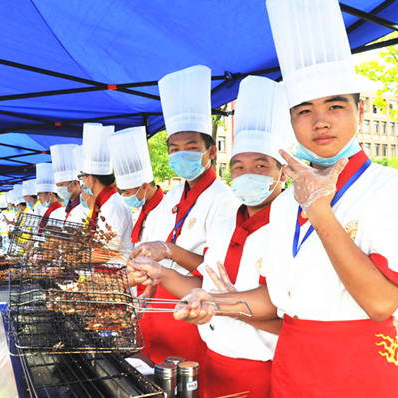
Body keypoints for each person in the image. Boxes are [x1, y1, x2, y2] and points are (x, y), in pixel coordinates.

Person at [175, 1, 398, 397]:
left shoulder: (394, 188)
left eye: (335, 106)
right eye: (305, 110)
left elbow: (381, 302)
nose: (320, 121)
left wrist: (318, 208)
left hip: (359, 366)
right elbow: (276, 298)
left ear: (360, 111)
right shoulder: (285, 202)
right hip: (291, 363)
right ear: (292, 121)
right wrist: (213, 302)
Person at [129, 76, 289, 398]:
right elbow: (203, 287)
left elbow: (286, 316)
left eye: (261, 165)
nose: (248, 174)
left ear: (282, 172)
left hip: (264, 369)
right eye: (240, 167)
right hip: (213, 361)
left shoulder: (292, 226)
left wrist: (221, 302)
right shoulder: (225, 226)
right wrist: (159, 272)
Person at [129, 65, 240, 367]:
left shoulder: (224, 199)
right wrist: (148, 289)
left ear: (211, 152)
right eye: (175, 148)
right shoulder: (174, 196)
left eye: (192, 147)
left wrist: (170, 251)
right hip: (156, 304)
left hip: (190, 308)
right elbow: (159, 254)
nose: (182, 155)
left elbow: (214, 270)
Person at [108, 126, 165, 296]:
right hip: (137, 286)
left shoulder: (165, 210)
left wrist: (114, 283)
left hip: (157, 291)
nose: (124, 197)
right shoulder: (144, 209)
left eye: (127, 192)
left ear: (144, 187)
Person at [80, 123, 133, 247]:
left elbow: (107, 251)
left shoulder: (114, 206)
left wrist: (76, 258)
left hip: (113, 266)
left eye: (82, 177)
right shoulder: (105, 204)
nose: (82, 182)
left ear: (91, 179)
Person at [49, 144, 88, 224]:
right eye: (57, 186)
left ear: (75, 183)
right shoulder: (67, 208)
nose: (59, 189)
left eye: (62, 185)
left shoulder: (85, 208)